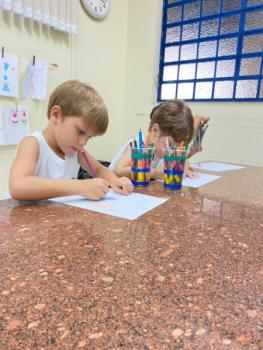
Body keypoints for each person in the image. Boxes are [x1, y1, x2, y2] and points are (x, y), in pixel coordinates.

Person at [9, 80, 133, 201]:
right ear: (56, 115)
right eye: (80, 131)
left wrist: (116, 181)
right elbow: (18, 185)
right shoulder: (33, 144)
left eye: (88, 137)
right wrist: (80, 186)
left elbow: (99, 169)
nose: (83, 142)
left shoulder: (75, 151)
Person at [109, 100, 208, 180]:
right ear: (155, 130)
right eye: (171, 144)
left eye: (177, 148)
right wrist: (157, 173)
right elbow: (118, 171)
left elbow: (183, 159)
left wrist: (185, 166)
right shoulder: (140, 144)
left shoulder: (163, 149)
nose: (173, 151)